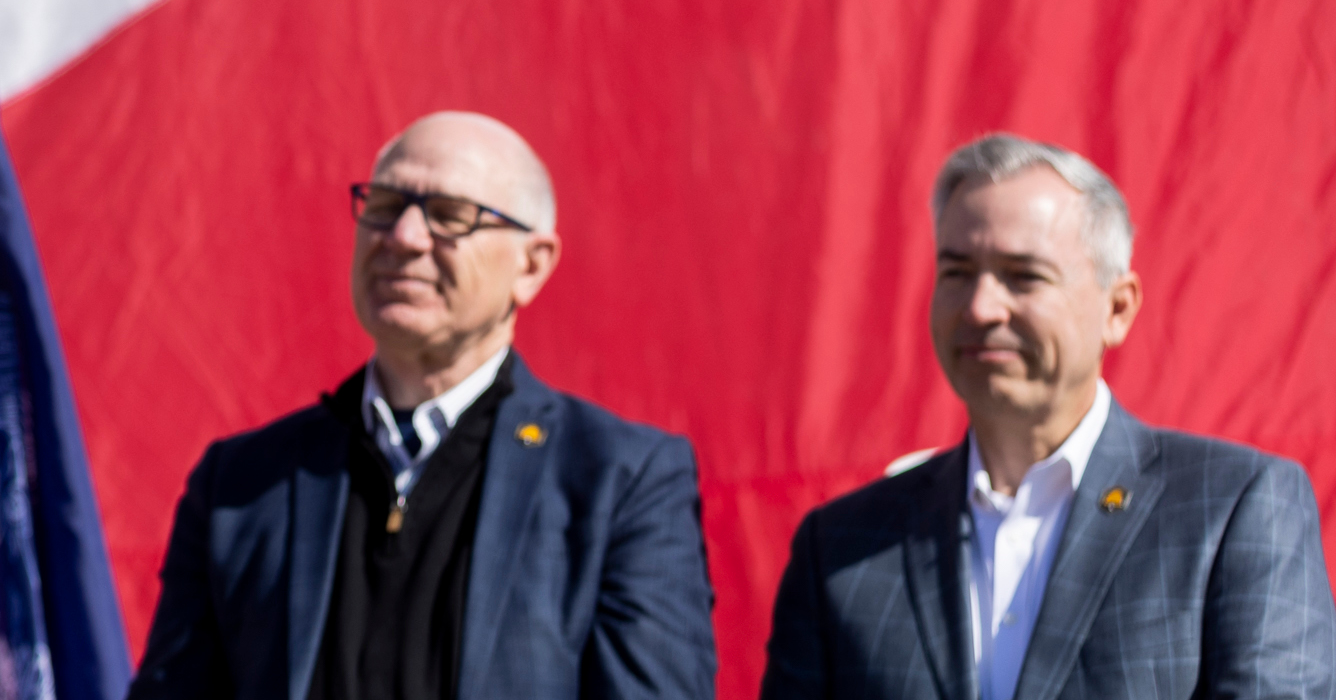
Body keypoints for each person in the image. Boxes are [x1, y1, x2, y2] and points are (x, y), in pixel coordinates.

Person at [130, 112, 715, 700]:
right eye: (384, 204)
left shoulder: (618, 483)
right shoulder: (242, 486)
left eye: (449, 216)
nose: (403, 236)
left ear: (531, 265)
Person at [761, 134, 1334, 699]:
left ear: (1117, 308)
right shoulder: (841, 549)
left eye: (1024, 276)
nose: (982, 307)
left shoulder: (1232, 511)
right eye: (957, 272)